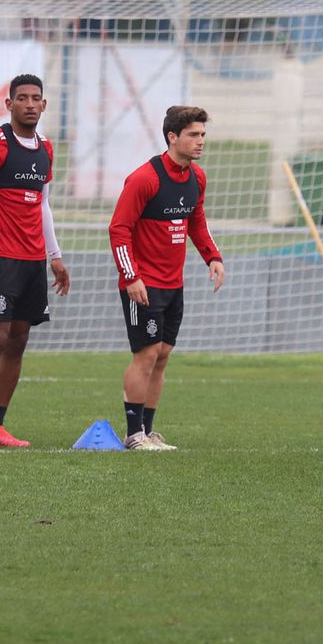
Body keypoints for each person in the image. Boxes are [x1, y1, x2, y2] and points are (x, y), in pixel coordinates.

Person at [108, 106, 225, 450]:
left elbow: (196, 221)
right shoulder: (145, 178)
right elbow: (119, 230)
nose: (200, 141)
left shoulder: (197, 178)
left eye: (203, 134)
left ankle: (148, 431)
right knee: (145, 355)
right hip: (143, 284)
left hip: (175, 284)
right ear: (173, 137)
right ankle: (133, 435)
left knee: (162, 357)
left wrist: (213, 257)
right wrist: (131, 276)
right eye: (193, 134)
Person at [0, 74, 71, 449]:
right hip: (0, 258)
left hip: (32, 261)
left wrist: (54, 256)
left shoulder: (46, 149)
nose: (29, 103)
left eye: (36, 98)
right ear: (8, 105)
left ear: (44, 105)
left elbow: (42, 204)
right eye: (21, 98)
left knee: (19, 339)